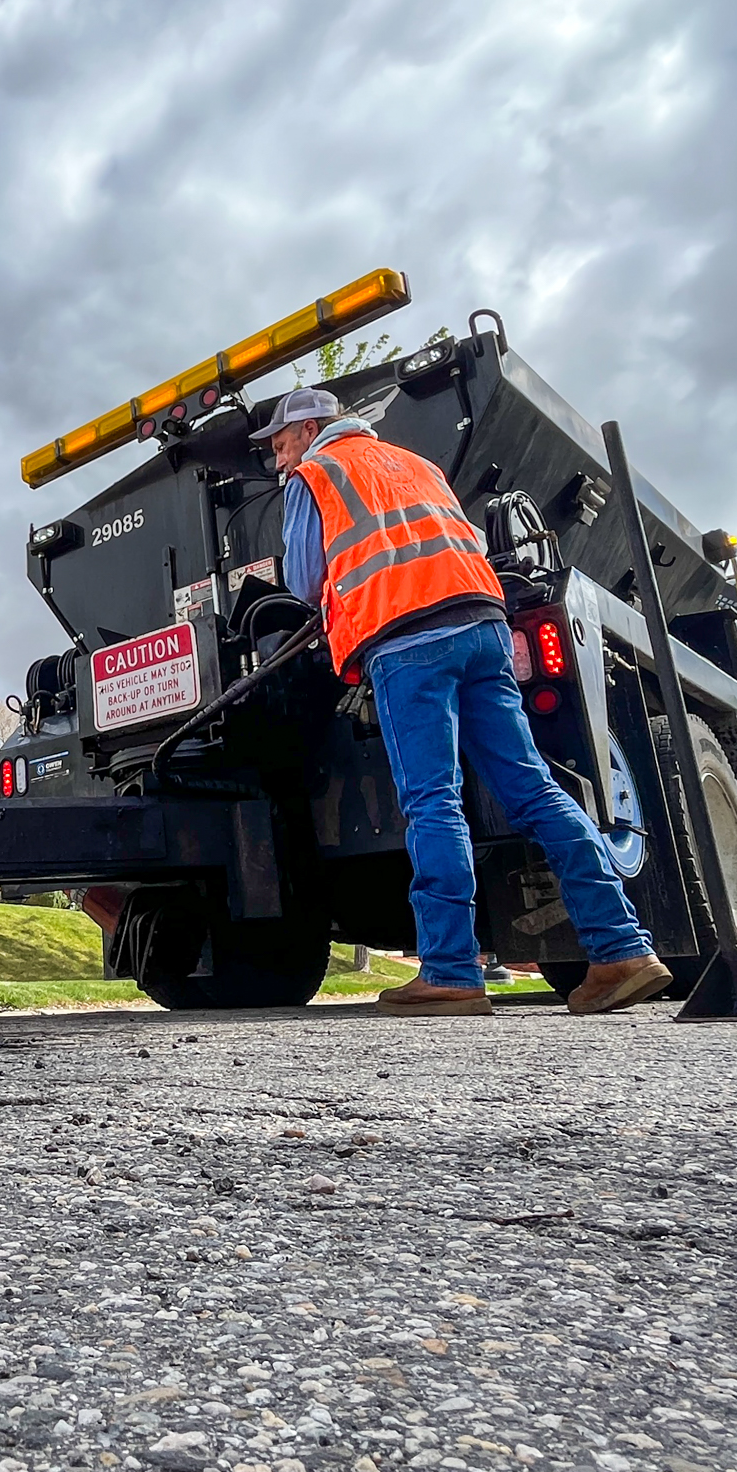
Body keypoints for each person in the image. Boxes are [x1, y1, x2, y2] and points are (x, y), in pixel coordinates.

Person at [261, 384, 672, 1015]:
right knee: (534, 791)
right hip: (483, 628)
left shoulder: (315, 474)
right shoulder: (415, 462)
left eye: (281, 443)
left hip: (406, 639)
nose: (279, 456)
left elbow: (302, 579)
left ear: (310, 429)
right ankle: (621, 948)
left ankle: (451, 971)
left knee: (433, 802)